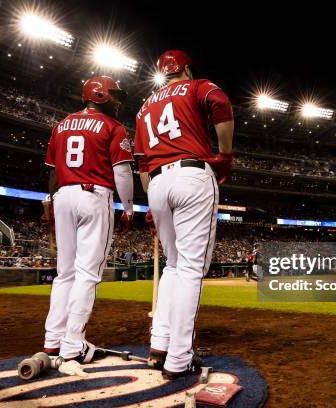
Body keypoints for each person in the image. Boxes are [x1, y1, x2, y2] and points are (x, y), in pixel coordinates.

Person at [134, 50, 234, 380]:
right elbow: (220, 102)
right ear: (186, 69)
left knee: (174, 267)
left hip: (158, 183)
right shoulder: (194, 86)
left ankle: (159, 345)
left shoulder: (145, 106)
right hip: (191, 175)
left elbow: (142, 163)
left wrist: (151, 200)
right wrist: (225, 153)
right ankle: (179, 357)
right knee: (190, 268)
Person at [42, 76, 134, 376]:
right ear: (100, 95)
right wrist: (129, 208)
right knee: (87, 275)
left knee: (64, 274)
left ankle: (52, 342)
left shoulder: (61, 125)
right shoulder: (112, 126)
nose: (118, 101)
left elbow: (54, 173)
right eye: (114, 96)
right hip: (94, 196)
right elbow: (122, 172)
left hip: (63, 194)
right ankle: (73, 346)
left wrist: (52, 202)